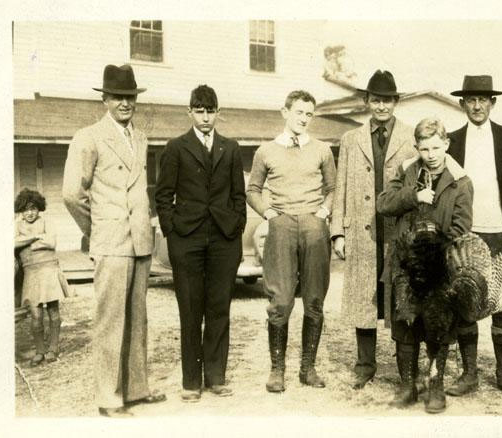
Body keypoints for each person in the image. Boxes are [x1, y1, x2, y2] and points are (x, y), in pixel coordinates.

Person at [63, 64, 166, 417]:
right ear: (105, 99)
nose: (125, 103)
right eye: (118, 97)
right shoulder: (88, 137)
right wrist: (97, 229)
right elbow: (71, 194)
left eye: (130, 97)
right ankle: (109, 397)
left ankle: (137, 388)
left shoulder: (140, 137)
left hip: (140, 240)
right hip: (111, 240)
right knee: (110, 321)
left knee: (138, 318)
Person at [155, 85, 247, 402]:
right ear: (189, 112)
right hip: (187, 239)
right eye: (199, 110)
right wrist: (172, 232)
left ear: (218, 113)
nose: (205, 117)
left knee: (219, 307)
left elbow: (239, 196)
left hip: (223, 239)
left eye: (210, 111)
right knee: (191, 310)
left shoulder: (230, 148)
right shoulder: (176, 147)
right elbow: (163, 196)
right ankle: (191, 382)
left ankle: (216, 377)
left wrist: (236, 228)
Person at [377, 117, 473, 414]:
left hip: (438, 266)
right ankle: (408, 385)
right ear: (416, 147)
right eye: (423, 148)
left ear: (446, 144)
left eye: (435, 147)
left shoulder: (460, 181)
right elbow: (384, 203)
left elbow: (463, 227)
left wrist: (435, 244)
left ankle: (435, 386)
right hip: (405, 264)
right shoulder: (407, 170)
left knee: (437, 327)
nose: (430, 154)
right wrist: (413, 196)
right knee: (406, 324)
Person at [330, 70, 417, 389]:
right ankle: (365, 363)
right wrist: (337, 230)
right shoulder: (351, 139)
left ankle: (403, 362)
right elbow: (340, 186)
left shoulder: (410, 137)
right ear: (367, 101)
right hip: (362, 230)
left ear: (396, 102)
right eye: (376, 100)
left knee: (399, 294)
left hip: (397, 228)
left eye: (387, 100)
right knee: (362, 297)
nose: (381, 106)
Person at [247, 90, 336, 392]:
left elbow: (333, 188)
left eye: (309, 114)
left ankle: (307, 368)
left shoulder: (322, 149)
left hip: (314, 227)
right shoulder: (265, 151)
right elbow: (253, 189)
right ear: (284, 112)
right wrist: (269, 213)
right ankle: (277, 370)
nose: (304, 119)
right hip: (282, 227)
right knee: (281, 300)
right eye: (299, 112)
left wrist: (323, 212)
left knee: (314, 300)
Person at [445, 75, 502, 396]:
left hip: (501, 232)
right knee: (466, 301)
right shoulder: (450, 142)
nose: (477, 105)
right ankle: (468, 373)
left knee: (501, 303)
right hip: (467, 233)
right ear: (462, 103)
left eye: (483, 99)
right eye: (471, 100)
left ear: (493, 103)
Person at [15, 188, 69, 366]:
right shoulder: (16, 224)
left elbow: (51, 242)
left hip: (48, 270)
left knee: (53, 311)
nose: (30, 213)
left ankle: (53, 348)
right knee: (36, 315)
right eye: (26, 209)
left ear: (39, 209)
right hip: (31, 273)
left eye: (33, 209)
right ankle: (39, 351)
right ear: (21, 211)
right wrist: (37, 238)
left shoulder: (47, 221)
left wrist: (26, 242)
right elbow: (10, 243)